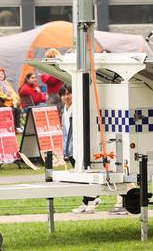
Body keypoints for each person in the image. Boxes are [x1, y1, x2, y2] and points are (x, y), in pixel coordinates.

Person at [59, 84, 102, 213]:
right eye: (63, 94)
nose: (66, 97)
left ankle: (92, 199)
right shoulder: (65, 111)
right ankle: (86, 201)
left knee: (85, 175)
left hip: (79, 148)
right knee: (80, 178)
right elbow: (65, 131)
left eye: (68, 93)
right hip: (70, 149)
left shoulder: (77, 109)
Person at [0, 68, 22, 132]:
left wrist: (15, 99)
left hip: (7, 102)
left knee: (17, 109)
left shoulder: (6, 83)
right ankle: (10, 128)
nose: (1, 75)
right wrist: (7, 96)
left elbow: (12, 92)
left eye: (2, 74)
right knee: (11, 110)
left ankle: (17, 128)